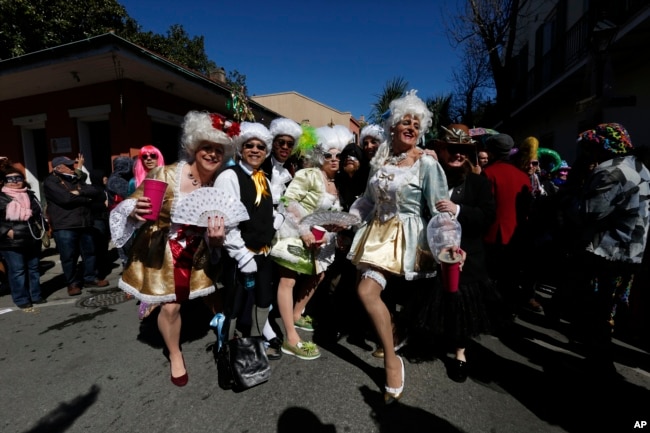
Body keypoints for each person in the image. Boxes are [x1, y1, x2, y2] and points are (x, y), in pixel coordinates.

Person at [109, 110, 237, 386]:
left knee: (215, 297)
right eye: (206, 148)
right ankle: (175, 353)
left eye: (218, 150)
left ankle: (225, 335)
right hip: (164, 251)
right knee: (170, 308)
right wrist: (135, 212)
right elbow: (130, 204)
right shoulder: (165, 173)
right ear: (194, 147)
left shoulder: (221, 182)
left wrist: (217, 239)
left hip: (202, 251)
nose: (212, 155)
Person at [346, 90, 450, 404]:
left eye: (416, 125)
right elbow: (366, 200)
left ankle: (394, 347)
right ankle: (393, 353)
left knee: (382, 295)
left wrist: (449, 244)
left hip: (407, 239)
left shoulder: (427, 163)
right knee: (367, 292)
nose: (411, 128)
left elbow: (438, 208)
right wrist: (346, 219)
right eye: (406, 122)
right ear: (392, 126)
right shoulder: (381, 161)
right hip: (376, 235)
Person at [572, 123, 650, 377]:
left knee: (596, 308)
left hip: (604, 252)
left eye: (591, 147)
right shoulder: (641, 169)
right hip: (632, 252)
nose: (588, 153)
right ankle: (600, 358)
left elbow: (588, 212)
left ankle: (599, 363)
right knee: (610, 309)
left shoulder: (612, 171)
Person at [270, 124, 352, 360]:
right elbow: (288, 200)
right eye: (329, 155)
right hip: (296, 232)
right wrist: (304, 229)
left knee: (319, 275)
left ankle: (296, 313)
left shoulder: (338, 186)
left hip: (320, 240)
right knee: (288, 279)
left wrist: (338, 228)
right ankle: (290, 337)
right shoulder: (309, 175)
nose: (334, 160)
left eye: (339, 156)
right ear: (320, 157)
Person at [427, 124, 496, 382]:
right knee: (436, 301)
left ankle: (459, 352)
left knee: (462, 305)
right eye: (453, 149)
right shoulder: (433, 177)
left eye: (463, 151)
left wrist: (457, 210)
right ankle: (435, 337)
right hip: (434, 252)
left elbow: (487, 217)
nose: (458, 155)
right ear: (443, 150)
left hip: (467, 256)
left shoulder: (478, 182)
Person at [213, 121, 280, 352]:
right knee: (235, 303)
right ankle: (229, 347)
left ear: (266, 152)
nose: (255, 150)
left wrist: (276, 219)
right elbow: (227, 221)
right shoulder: (229, 177)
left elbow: (265, 210)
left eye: (260, 147)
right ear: (241, 149)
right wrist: (241, 255)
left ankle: (259, 335)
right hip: (240, 255)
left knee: (263, 299)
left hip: (263, 253)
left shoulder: (264, 178)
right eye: (249, 145)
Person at [258, 117, 304, 359]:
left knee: (284, 278)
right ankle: (265, 328)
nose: (285, 147)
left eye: (289, 143)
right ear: (272, 143)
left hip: (283, 229)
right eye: (280, 142)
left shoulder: (291, 170)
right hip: (261, 228)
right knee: (261, 280)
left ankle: (285, 326)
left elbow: (290, 200)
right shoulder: (260, 166)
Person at [482, 133, 532, 321]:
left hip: (494, 234)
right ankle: (507, 313)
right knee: (509, 278)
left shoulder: (489, 173)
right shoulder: (523, 176)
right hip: (517, 234)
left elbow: (487, 206)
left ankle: (491, 313)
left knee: (491, 277)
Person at [44, 155, 110, 296]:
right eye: (68, 165)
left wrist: (79, 192)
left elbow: (96, 192)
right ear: (58, 168)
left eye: (72, 165)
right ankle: (72, 283)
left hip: (84, 222)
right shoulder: (51, 181)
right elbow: (66, 199)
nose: (72, 167)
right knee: (69, 256)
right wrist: (86, 198)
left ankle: (90, 278)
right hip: (65, 225)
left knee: (89, 252)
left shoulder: (77, 179)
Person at [0, 166, 47, 309]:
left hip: (32, 237)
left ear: (23, 180)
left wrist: (43, 227)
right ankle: (21, 298)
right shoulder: (1, 196)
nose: (15, 181)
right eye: (10, 179)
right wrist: (7, 231)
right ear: (4, 181)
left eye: (18, 178)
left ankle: (36, 295)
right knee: (18, 270)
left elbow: (38, 214)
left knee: (33, 268)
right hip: (11, 241)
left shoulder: (30, 195)